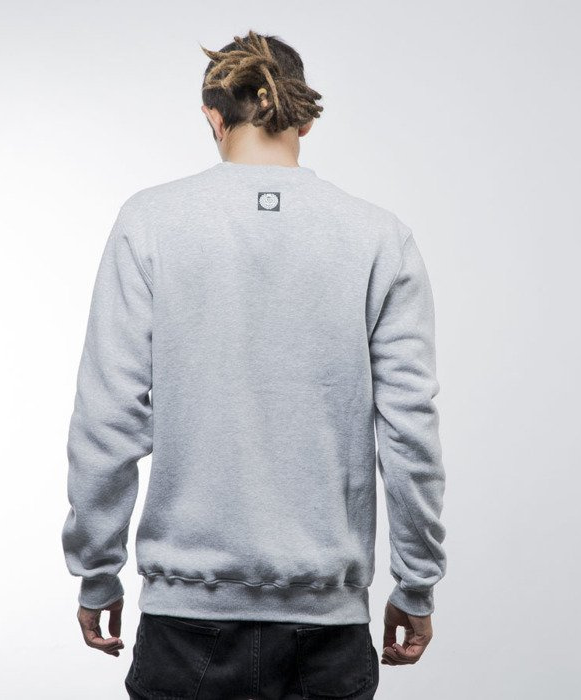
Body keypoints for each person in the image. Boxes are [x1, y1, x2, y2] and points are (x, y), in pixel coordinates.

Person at [61, 29, 447, 700]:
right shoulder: (379, 237)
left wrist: (97, 572)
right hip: (327, 627)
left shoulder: (150, 223)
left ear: (213, 117)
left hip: (185, 623)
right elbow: (410, 429)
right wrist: (416, 584)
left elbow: (107, 417)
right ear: (303, 118)